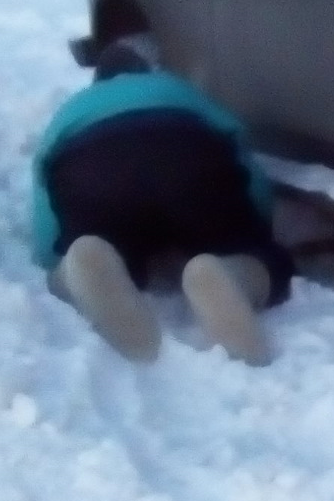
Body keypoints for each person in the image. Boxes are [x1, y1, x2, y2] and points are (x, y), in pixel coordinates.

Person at [30, 41, 294, 364]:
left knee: (99, 244)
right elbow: (238, 153)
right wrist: (254, 230)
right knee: (252, 254)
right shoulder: (177, 89)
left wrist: (53, 254)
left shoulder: (72, 108)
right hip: (187, 160)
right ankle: (229, 271)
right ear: (148, 72)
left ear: (98, 80)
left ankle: (83, 260)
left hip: (93, 172)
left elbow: (45, 197)